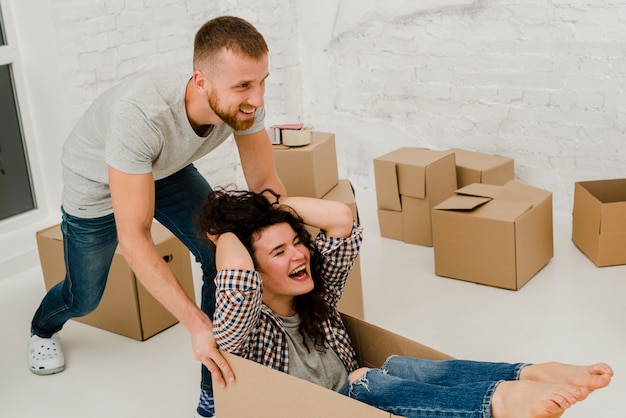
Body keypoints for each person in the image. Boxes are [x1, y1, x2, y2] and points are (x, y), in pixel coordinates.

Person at [27, 16, 285, 418]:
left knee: (223, 249)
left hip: (164, 167)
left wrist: (283, 247)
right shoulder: (142, 113)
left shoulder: (246, 106)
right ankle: (42, 329)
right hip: (93, 182)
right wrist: (197, 323)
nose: (258, 97)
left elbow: (265, 182)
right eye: (243, 86)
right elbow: (134, 239)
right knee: (85, 296)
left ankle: (212, 393)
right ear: (201, 82)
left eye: (263, 81)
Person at [199, 188, 614, 418]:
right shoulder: (241, 331)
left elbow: (341, 219)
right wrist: (226, 231)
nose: (298, 255)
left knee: (396, 367)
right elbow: (234, 278)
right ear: (255, 271)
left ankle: (527, 373)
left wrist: (273, 211)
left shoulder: (316, 298)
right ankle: (500, 401)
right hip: (325, 409)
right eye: (279, 252)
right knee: (366, 379)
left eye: (296, 242)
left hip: (363, 390)